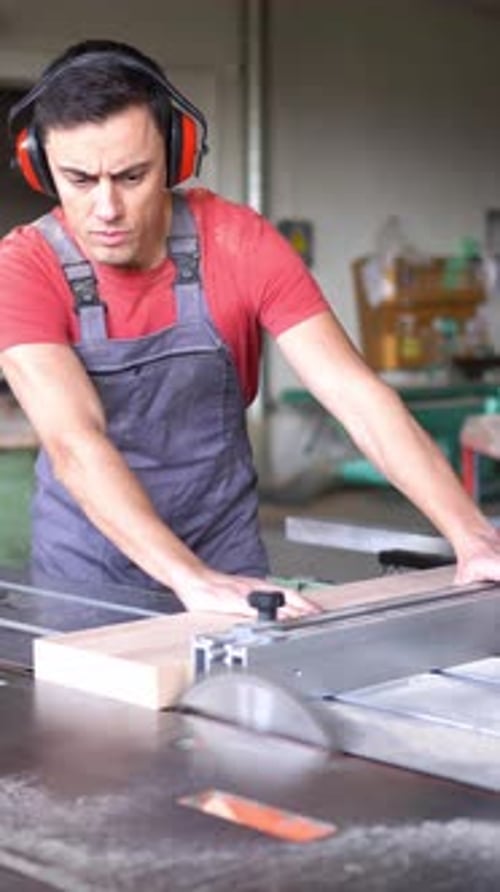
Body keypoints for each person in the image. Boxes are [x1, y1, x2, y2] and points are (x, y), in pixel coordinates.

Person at [1, 39, 500, 620]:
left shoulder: (239, 242)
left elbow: (356, 396)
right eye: (80, 180)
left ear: (175, 155)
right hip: (89, 569)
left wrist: (472, 536)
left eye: (132, 176)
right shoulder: (22, 268)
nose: (107, 209)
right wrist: (190, 579)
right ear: (40, 166)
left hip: (225, 547)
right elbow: (74, 441)